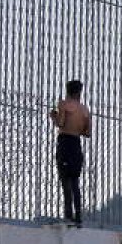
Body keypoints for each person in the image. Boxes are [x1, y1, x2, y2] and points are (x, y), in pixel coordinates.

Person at [50, 79, 91, 226]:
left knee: (65, 180)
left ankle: (68, 215)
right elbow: (87, 132)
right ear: (79, 92)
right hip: (76, 145)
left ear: (67, 91)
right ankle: (78, 214)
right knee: (75, 181)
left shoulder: (63, 104)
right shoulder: (85, 109)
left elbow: (60, 123)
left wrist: (53, 116)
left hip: (65, 143)